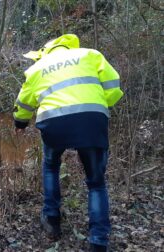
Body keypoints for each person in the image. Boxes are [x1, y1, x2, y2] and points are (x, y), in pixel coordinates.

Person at [13, 34, 123, 252]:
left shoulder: (37, 68)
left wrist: (20, 123)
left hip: (54, 123)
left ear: (44, 51)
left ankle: (52, 220)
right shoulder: (90, 55)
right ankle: (99, 241)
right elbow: (113, 86)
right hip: (91, 120)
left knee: (51, 166)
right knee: (96, 183)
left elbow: (24, 103)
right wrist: (98, 106)